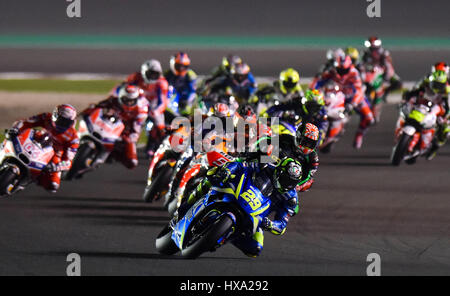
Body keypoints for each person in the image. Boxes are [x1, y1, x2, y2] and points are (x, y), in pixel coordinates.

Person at [182, 157, 302, 257]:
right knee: (213, 175)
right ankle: (189, 201)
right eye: (286, 179)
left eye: (292, 182)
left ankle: (224, 236)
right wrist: (228, 171)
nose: (288, 184)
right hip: (238, 191)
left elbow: (282, 226)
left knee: (255, 249)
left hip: (256, 216)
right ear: (279, 171)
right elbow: (240, 165)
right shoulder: (265, 166)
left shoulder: (291, 199)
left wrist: (270, 224)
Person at [9, 104, 79, 192]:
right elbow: (26, 122)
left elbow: (68, 161)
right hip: (37, 139)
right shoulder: (46, 117)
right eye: (61, 120)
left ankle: (27, 181)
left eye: (66, 122)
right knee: (12, 137)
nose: (63, 124)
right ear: (55, 115)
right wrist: (16, 129)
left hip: (54, 154)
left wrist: (58, 167)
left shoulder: (73, 138)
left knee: (53, 186)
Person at [311, 52, 374, 149]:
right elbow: (318, 82)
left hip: (353, 99)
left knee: (369, 118)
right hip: (337, 96)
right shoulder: (332, 71)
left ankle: (359, 135)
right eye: (339, 70)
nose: (341, 73)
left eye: (344, 70)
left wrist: (353, 104)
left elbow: (359, 91)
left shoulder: (354, 73)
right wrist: (313, 92)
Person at [82, 84, 149, 169]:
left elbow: (137, 127)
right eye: (126, 100)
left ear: (136, 99)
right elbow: (98, 106)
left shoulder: (140, 110)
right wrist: (88, 111)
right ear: (121, 97)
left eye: (131, 101)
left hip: (124, 132)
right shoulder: (113, 101)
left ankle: (112, 155)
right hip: (107, 125)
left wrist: (132, 136)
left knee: (132, 162)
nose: (129, 103)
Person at [402, 62, 450, 159]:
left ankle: (434, 147)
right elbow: (415, 89)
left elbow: (448, 106)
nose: (437, 87)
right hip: (424, 103)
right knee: (405, 109)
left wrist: (445, 117)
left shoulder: (448, 89)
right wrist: (408, 97)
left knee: (446, 131)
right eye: (435, 84)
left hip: (439, 107)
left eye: (439, 85)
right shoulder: (427, 80)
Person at [125, 59, 169, 157]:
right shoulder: (135, 78)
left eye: (155, 74)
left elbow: (163, 101)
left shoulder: (162, 83)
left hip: (154, 105)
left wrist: (156, 111)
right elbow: (125, 91)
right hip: (138, 104)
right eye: (151, 73)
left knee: (159, 126)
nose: (153, 76)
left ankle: (158, 147)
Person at [360, 36, 402, 121]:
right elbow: (361, 64)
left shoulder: (384, 53)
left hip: (383, 73)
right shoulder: (365, 54)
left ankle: (384, 94)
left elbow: (388, 66)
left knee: (397, 83)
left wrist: (387, 75)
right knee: (366, 88)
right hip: (370, 75)